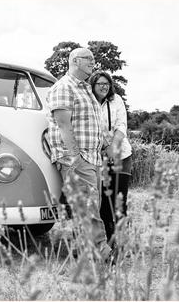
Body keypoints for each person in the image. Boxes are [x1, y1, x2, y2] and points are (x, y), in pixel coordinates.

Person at [46, 48, 111, 258]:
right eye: (89, 59)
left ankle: (85, 251)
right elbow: (63, 125)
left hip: (91, 156)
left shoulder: (84, 88)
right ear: (75, 60)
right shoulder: (64, 87)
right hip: (77, 157)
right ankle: (99, 251)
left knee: (89, 206)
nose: (94, 62)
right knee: (89, 207)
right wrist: (75, 157)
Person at [88, 70, 132, 247]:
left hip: (121, 155)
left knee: (119, 200)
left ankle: (122, 241)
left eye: (107, 83)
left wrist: (113, 147)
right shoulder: (88, 102)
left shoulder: (116, 100)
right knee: (104, 203)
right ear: (93, 85)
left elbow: (122, 125)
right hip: (99, 157)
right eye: (100, 83)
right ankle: (108, 241)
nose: (104, 86)